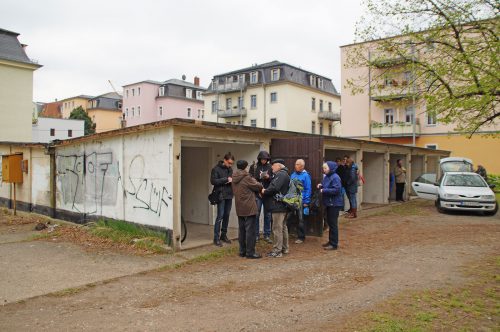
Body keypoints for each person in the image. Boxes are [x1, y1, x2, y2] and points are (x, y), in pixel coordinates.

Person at [231, 160, 264, 259]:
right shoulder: (247, 177)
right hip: (249, 206)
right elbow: (258, 186)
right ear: (245, 167)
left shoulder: (234, 176)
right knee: (250, 231)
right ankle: (250, 252)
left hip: (239, 206)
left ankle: (242, 251)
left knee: (242, 230)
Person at [261, 159, 290, 258]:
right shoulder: (285, 174)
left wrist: (264, 191)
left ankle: (277, 251)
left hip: (278, 205)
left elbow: (274, 188)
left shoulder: (281, 174)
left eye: (273, 165)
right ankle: (285, 248)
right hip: (283, 205)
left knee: (277, 228)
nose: (271, 167)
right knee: (283, 227)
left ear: (278, 166)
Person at [210, 152, 234, 247]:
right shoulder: (216, 169)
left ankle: (223, 235)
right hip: (220, 195)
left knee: (227, 215)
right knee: (220, 216)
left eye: (232, 163)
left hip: (229, 194)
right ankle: (216, 238)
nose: (230, 165)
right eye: (229, 162)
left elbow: (231, 179)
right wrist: (226, 180)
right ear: (224, 160)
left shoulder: (230, 169)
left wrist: (231, 181)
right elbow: (213, 181)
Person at [318, 161, 343, 250]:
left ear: (330, 168)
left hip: (334, 204)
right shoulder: (327, 177)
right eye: (323, 168)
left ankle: (334, 244)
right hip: (329, 203)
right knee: (330, 223)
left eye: (325, 168)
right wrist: (321, 186)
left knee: (333, 224)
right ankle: (330, 241)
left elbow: (336, 190)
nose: (324, 170)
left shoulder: (335, 177)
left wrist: (324, 190)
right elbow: (327, 186)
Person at [249, 151, 273, 243]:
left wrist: (268, 177)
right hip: (257, 193)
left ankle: (267, 235)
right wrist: (256, 179)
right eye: (262, 159)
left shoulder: (270, 167)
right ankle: (256, 235)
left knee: (267, 215)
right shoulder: (254, 167)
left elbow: (274, 180)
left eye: (266, 159)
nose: (264, 161)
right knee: (256, 214)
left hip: (267, 194)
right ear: (259, 159)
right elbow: (250, 179)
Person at [289, 159, 311, 244]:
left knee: (301, 219)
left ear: (302, 166)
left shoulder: (306, 176)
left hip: (301, 200)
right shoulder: (293, 174)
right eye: (295, 164)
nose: (295, 166)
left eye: (297, 164)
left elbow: (308, 189)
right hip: (292, 200)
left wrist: (306, 201)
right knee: (289, 217)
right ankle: (288, 233)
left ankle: (301, 237)